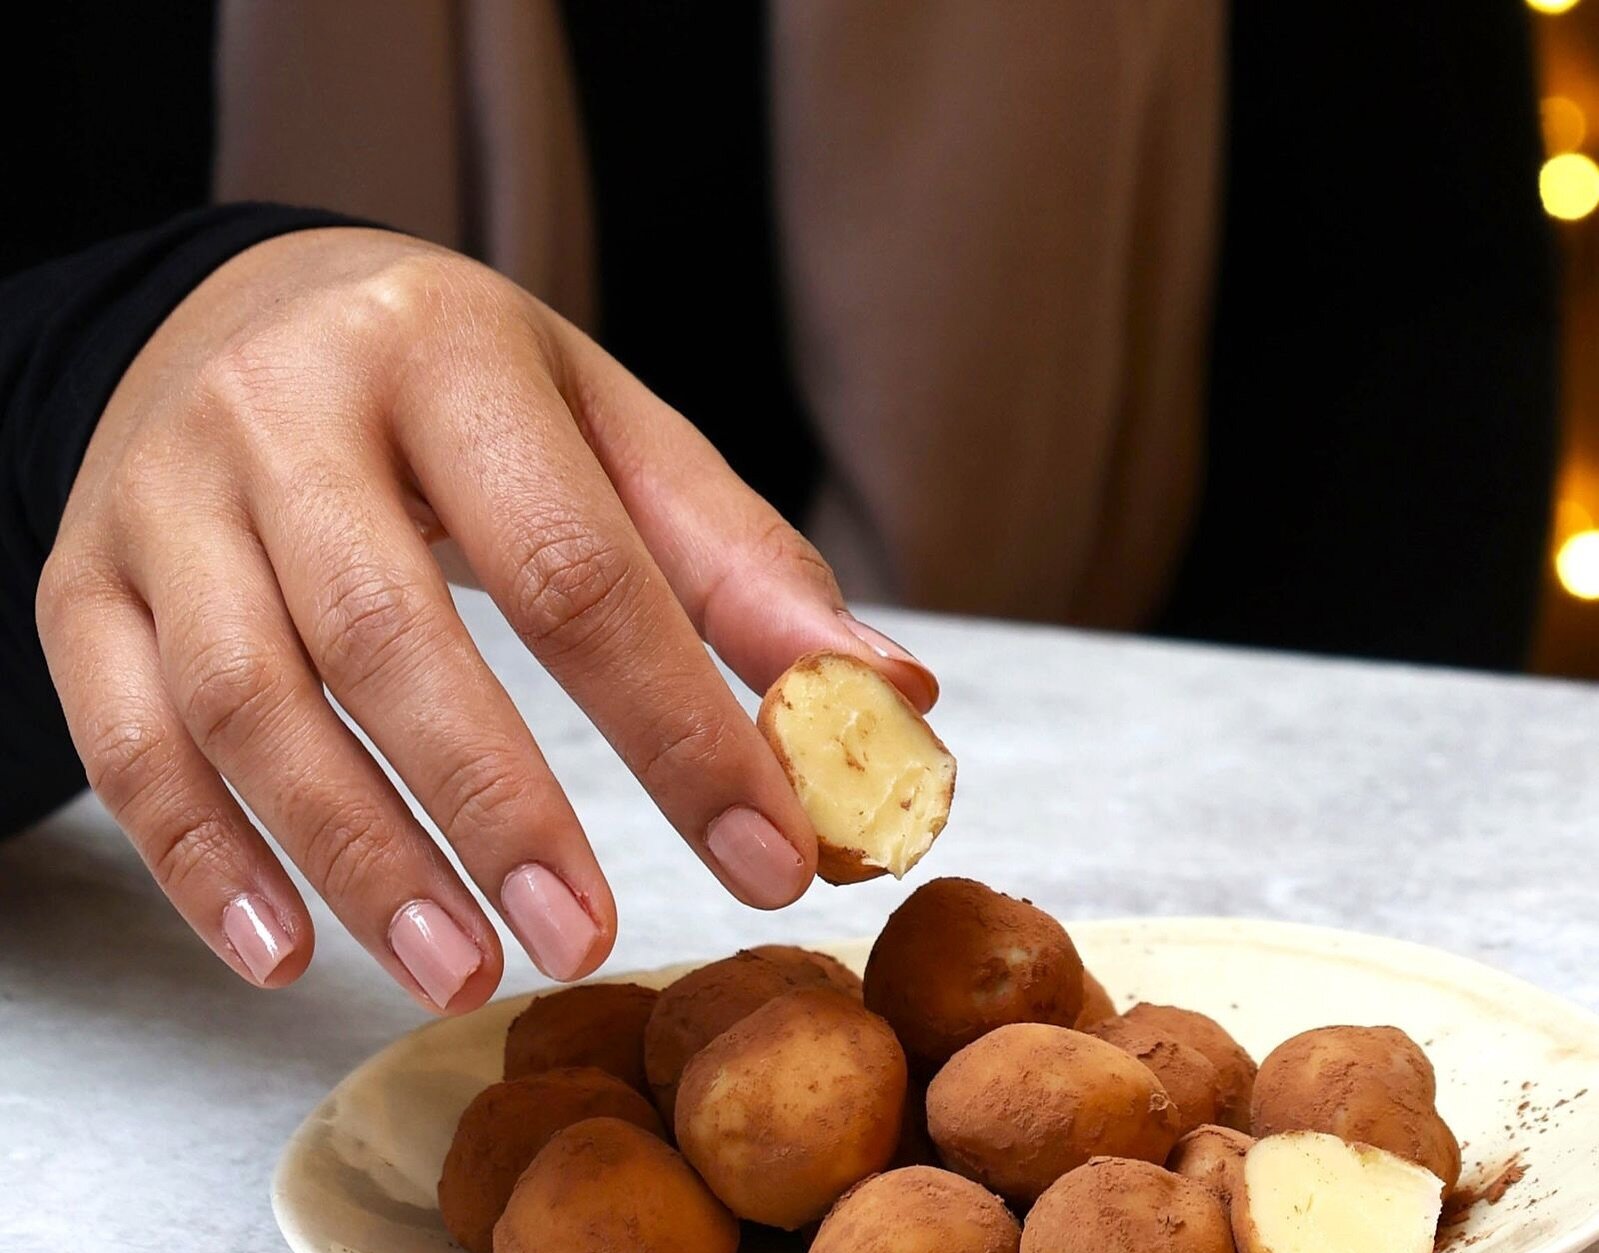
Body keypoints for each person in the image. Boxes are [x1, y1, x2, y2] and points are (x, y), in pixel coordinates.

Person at [1, 2, 1556, 1013]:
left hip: (1161, 890)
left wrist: (1272, 914)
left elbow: (1416, 347)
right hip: (190, 988)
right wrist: (91, 365)